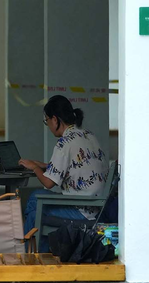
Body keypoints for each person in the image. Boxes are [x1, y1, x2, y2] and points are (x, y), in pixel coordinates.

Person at [19, 95, 109, 250]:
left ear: (55, 119)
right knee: (34, 198)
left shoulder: (64, 142)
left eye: (46, 120)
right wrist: (44, 165)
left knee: (34, 210)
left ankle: (32, 249)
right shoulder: (88, 135)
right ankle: (40, 247)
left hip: (82, 210)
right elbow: (76, 165)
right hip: (97, 206)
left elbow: (48, 183)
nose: (47, 124)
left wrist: (34, 168)